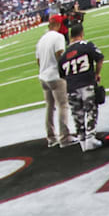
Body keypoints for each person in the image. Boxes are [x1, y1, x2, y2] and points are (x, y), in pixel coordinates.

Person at [58, 23, 104, 152]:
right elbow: (100, 58)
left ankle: (82, 141)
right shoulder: (87, 45)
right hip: (86, 83)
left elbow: (61, 74)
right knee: (91, 110)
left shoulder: (64, 55)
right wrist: (97, 73)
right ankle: (90, 138)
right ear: (82, 34)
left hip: (71, 88)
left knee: (77, 114)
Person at [35, 16, 73, 147]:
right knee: (63, 105)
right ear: (57, 24)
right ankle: (64, 137)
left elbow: (38, 61)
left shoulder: (41, 40)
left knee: (49, 107)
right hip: (55, 76)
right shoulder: (58, 37)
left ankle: (51, 137)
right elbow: (60, 55)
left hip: (43, 76)